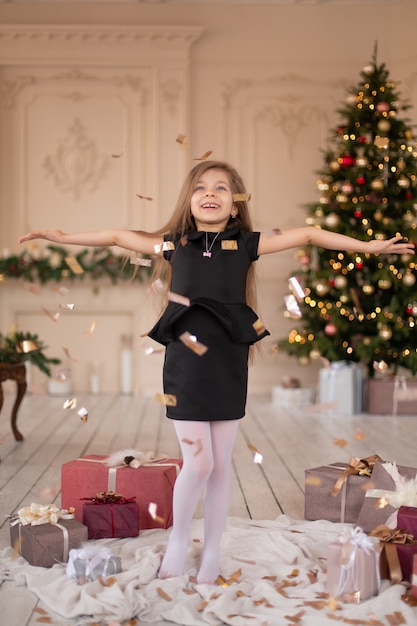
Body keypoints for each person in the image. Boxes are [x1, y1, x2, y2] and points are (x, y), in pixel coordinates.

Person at [18, 160, 415, 584]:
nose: (211, 193)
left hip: (228, 362)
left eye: (222, 188)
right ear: (189, 201)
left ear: (235, 203)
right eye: (201, 188)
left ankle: (211, 554)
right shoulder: (173, 244)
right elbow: (116, 235)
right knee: (200, 462)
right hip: (186, 366)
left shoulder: (247, 243)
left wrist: (368, 247)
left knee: (221, 466)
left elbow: (311, 233)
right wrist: (61, 237)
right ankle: (177, 541)